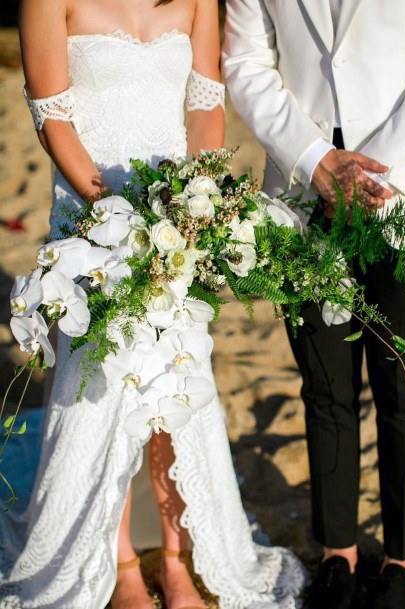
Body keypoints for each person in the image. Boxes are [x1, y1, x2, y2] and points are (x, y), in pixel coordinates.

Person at [0, 1, 307, 608]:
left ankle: (175, 557)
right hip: (93, 221)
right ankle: (119, 570)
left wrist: (196, 202)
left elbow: (204, 102)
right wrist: (112, 219)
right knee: (100, 389)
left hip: (178, 224)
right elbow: (52, 119)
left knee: (177, 385)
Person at [223, 1, 405, 608]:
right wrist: (315, 160)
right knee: (324, 386)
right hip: (298, 192)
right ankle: (337, 555)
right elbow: (245, 60)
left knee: (404, 388)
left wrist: (372, 169)